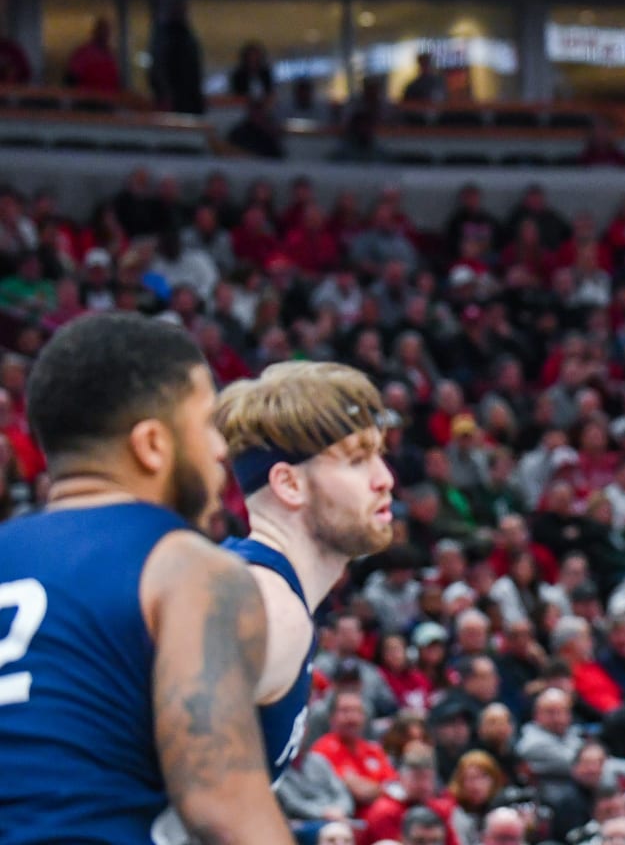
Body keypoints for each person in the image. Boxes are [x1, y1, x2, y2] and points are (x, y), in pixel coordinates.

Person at [0, 313, 296, 843]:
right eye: (208, 423)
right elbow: (223, 806)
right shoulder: (187, 567)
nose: (221, 449)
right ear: (152, 444)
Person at [211, 361, 398, 775]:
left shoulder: (249, 586)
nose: (384, 478)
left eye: (379, 456)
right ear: (289, 485)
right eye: (357, 460)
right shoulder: (268, 610)